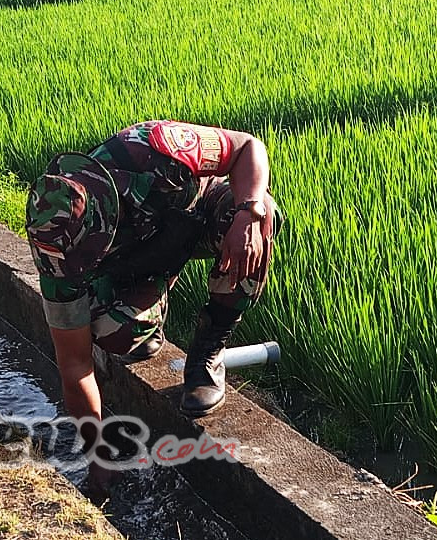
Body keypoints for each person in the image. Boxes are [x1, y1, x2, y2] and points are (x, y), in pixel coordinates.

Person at [25, 121, 281, 496]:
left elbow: (248, 148)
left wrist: (249, 210)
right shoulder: (57, 253)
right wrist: (98, 456)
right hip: (139, 263)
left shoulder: (153, 149)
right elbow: (75, 364)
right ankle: (150, 318)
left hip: (196, 218)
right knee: (113, 331)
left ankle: (207, 355)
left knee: (260, 215)